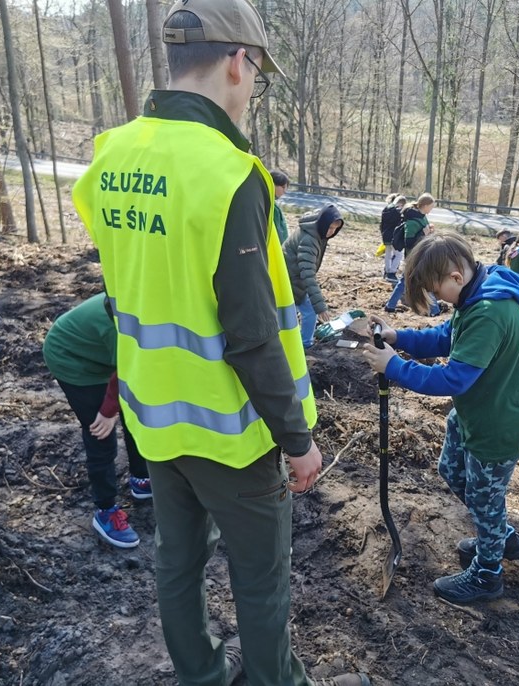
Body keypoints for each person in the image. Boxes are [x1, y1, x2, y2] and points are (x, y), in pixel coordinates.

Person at [71, 2, 369, 684]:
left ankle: (200, 677)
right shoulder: (231, 173)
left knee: (176, 564)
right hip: (232, 433)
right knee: (261, 581)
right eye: (256, 75)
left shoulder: (111, 153)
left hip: (155, 416)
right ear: (240, 62)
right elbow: (252, 335)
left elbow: (131, 284)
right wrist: (296, 440)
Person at [363, 232, 519, 604]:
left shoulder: (489, 312)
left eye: (434, 290)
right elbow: (448, 336)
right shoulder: (477, 295)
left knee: (485, 500)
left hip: (499, 424)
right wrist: (399, 337)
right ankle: (500, 534)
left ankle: (487, 574)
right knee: (453, 472)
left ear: (456, 278)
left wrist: (395, 367)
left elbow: (453, 377)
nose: (434, 299)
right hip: (476, 413)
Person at [43, 293, 151, 549]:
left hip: (103, 356)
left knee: (136, 413)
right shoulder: (126, 320)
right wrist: (107, 410)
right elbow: (127, 370)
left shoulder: (154, 307)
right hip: (71, 357)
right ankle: (105, 511)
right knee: (100, 433)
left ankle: (140, 479)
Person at [283, 203, 345, 348]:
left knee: (296, 311)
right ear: (323, 222)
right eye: (329, 227)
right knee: (310, 311)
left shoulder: (314, 229)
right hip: (291, 279)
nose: (331, 232)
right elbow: (308, 275)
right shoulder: (309, 240)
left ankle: (297, 340)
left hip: (292, 277)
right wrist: (320, 306)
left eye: (335, 229)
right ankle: (304, 344)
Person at [385, 193, 440, 316]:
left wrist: (429, 231)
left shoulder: (422, 216)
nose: (431, 209)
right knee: (425, 281)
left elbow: (422, 235)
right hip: (414, 256)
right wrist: (423, 232)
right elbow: (408, 242)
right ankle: (434, 310)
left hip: (421, 254)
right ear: (424, 205)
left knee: (405, 282)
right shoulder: (411, 220)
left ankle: (390, 305)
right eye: (431, 207)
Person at [379, 193, 407, 283]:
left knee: (388, 254)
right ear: (401, 204)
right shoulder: (398, 212)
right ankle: (392, 272)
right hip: (394, 236)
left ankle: (387, 271)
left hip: (386, 235)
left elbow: (382, 224)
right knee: (399, 254)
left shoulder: (386, 209)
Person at [271, 170, 290, 243]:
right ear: (272, 184)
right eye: (283, 187)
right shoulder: (271, 207)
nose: (285, 191)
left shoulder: (274, 204)